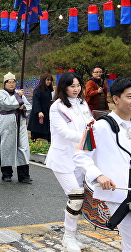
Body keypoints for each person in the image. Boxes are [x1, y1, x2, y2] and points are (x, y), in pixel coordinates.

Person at [73, 77, 131, 252]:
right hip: (118, 193)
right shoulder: (98, 126)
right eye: (130, 96)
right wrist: (99, 176)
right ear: (116, 99)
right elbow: (80, 156)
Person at [46, 71, 94, 252]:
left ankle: (71, 235)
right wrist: (87, 138)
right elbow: (64, 132)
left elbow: (91, 123)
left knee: (81, 197)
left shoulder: (82, 102)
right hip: (63, 159)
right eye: (72, 86)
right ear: (63, 87)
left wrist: (96, 132)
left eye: (78, 85)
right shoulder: (56, 107)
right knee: (76, 195)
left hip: (81, 158)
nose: (76, 89)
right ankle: (68, 238)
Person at [0, 72, 33, 183]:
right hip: (7, 123)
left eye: (13, 82)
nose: (12, 84)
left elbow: (28, 106)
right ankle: (6, 174)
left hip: (20, 123)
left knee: (23, 147)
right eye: (9, 82)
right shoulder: (1, 94)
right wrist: (18, 100)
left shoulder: (19, 93)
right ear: (5, 83)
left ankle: (24, 175)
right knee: (6, 147)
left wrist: (23, 107)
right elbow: (5, 104)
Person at [28, 73, 54, 142]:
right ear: (43, 80)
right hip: (39, 113)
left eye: (50, 80)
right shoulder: (38, 90)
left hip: (47, 112)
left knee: (47, 131)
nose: (49, 82)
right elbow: (36, 102)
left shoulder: (50, 90)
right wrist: (39, 111)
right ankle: (35, 142)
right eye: (47, 80)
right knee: (37, 130)